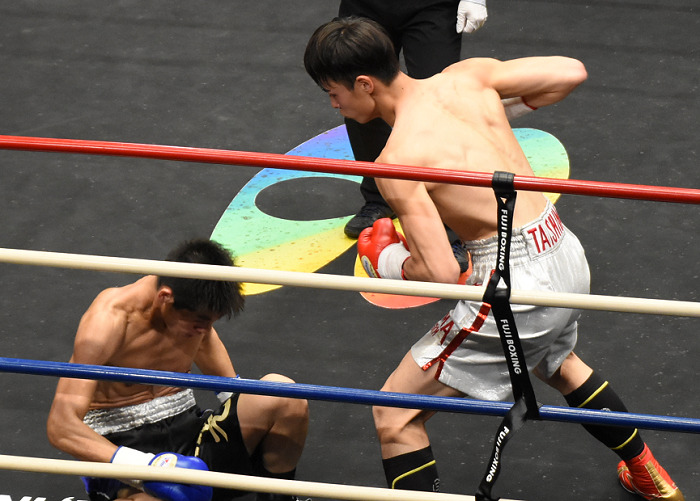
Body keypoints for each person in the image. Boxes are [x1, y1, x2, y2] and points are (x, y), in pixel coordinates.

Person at [304, 17, 684, 501]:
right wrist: (498, 109)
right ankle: (651, 475)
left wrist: (387, 258)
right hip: (563, 250)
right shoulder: (467, 77)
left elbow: (442, 272)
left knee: (394, 414)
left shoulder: (398, 161)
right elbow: (570, 72)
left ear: (364, 83)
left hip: (516, 283)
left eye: (333, 92)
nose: (333, 104)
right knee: (556, 361)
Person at [46, 239, 309, 501]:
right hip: (122, 445)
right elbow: (61, 426)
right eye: (199, 323)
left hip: (191, 434)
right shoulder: (108, 320)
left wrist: (248, 428)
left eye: (211, 323)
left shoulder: (193, 313)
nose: (205, 331)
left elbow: (230, 391)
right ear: (165, 298)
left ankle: (280, 499)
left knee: (284, 395)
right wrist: (145, 468)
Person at [337, 0, 487, 244]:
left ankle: (449, 224)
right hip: (365, 4)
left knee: (438, 100)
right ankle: (379, 196)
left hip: (432, 5)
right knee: (359, 92)